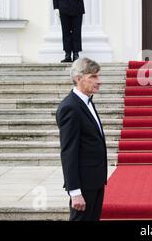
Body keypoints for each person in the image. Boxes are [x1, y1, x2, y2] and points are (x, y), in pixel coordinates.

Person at [56, 58, 107, 221]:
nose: (99, 81)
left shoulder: (86, 102)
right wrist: (75, 191)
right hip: (84, 185)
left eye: (98, 76)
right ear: (78, 78)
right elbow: (68, 152)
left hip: (95, 181)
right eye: (93, 77)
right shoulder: (70, 107)